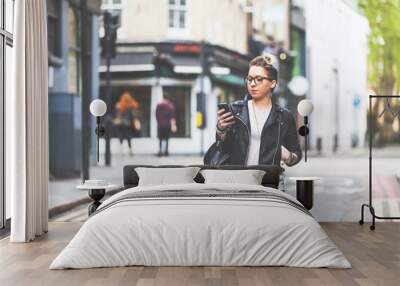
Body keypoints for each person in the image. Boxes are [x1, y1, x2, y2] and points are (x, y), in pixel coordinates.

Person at [204, 55, 302, 167]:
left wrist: (288, 156)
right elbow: (223, 146)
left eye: (259, 79)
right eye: (249, 79)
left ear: (273, 83)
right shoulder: (235, 110)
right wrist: (220, 130)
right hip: (238, 179)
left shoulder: (284, 116)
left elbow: (297, 154)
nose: (252, 84)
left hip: (268, 179)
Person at [113, 91, 141, 156]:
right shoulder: (130, 106)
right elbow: (132, 115)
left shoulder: (119, 105)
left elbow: (115, 114)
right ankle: (129, 150)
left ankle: (121, 150)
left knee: (121, 136)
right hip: (127, 124)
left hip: (121, 124)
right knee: (128, 137)